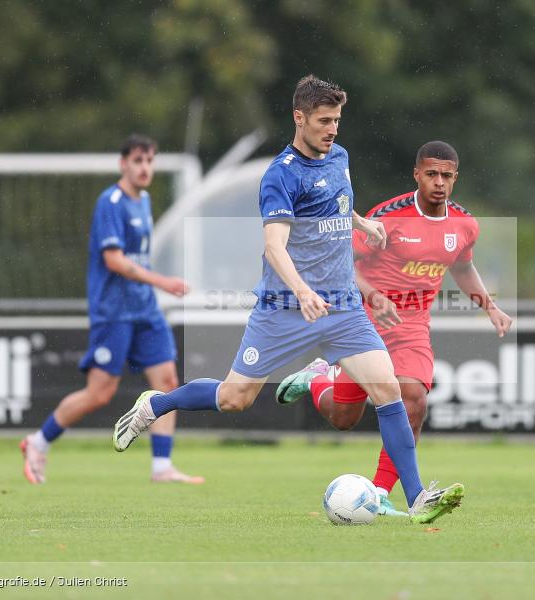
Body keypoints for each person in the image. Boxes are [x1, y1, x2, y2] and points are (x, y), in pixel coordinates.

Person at [112, 75, 465, 524]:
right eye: (323, 121)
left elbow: (334, 202)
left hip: (341, 307)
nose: (332, 129)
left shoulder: (339, 156)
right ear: (299, 118)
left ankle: (417, 499)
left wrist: (362, 224)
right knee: (235, 398)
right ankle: (155, 405)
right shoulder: (280, 176)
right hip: (284, 311)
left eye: (337, 120)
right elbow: (274, 246)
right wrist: (301, 290)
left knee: (388, 390)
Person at [275, 140, 512, 517]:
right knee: (344, 418)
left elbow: (462, 267)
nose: (439, 182)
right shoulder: (388, 217)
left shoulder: (465, 225)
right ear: (417, 174)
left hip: (412, 326)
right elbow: (341, 261)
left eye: (446, 176)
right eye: (431, 174)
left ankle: (379, 492)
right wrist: (373, 295)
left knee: (414, 397)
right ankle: (319, 377)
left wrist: (490, 307)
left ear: (455, 179)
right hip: (362, 320)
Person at [20, 134, 203, 485]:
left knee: (166, 381)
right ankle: (37, 442)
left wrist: (152, 289)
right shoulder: (111, 202)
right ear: (123, 164)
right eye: (138, 161)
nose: (145, 168)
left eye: (150, 161)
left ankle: (161, 466)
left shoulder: (144, 200)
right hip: (114, 312)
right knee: (99, 393)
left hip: (145, 310)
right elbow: (114, 260)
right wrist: (162, 282)